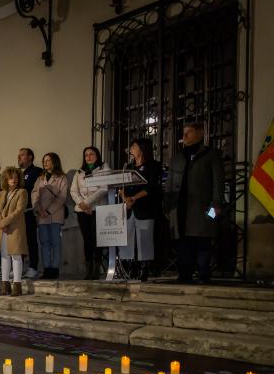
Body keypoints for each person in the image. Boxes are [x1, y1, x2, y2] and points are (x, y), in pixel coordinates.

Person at [165, 121, 222, 283]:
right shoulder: (177, 157)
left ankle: (204, 275)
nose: (184, 137)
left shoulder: (211, 155)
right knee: (183, 244)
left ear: (200, 133)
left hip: (203, 208)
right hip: (180, 208)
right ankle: (184, 275)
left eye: (188, 133)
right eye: (183, 134)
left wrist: (214, 210)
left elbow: (218, 184)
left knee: (203, 242)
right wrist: (168, 207)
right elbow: (169, 183)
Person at [119, 138, 162, 281]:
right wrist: (125, 198)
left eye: (134, 146)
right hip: (129, 208)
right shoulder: (129, 166)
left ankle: (144, 268)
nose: (130, 149)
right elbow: (122, 186)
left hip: (145, 208)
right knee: (127, 239)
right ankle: (129, 268)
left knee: (145, 239)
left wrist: (134, 198)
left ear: (142, 149)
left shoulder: (153, 165)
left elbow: (150, 187)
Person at [70, 146, 110, 279]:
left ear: (97, 155)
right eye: (86, 155)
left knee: (97, 239)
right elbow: (73, 191)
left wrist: (88, 203)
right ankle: (89, 269)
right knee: (87, 240)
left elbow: (104, 189)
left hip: (97, 209)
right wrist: (82, 203)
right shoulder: (79, 172)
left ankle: (97, 269)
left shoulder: (104, 168)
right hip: (82, 210)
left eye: (91, 154)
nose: (88, 157)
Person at [32, 152, 69, 279]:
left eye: (48, 160)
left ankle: (54, 268)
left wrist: (48, 211)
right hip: (41, 215)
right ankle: (46, 268)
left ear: (55, 161)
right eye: (44, 160)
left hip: (55, 215)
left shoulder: (62, 178)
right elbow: (34, 195)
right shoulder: (40, 178)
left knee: (55, 242)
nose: (45, 162)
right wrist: (38, 209)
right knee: (44, 242)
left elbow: (62, 197)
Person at [0, 167, 28, 296]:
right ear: (6, 179)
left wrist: (3, 223)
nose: (14, 179)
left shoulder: (22, 192)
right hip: (2, 229)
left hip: (15, 228)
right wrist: (0, 223)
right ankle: (5, 285)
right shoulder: (1, 193)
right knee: (4, 256)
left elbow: (18, 211)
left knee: (16, 255)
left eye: (16, 177)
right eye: (11, 177)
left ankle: (17, 286)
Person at [18, 148, 42, 278]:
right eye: (19, 155)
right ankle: (19, 266)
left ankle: (33, 266)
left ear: (30, 157)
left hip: (29, 211)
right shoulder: (17, 173)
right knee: (19, 240)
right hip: (17, 213)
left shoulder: (37, 172)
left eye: (22, 155)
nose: (19, 157)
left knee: (31, 239)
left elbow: (33, 190)